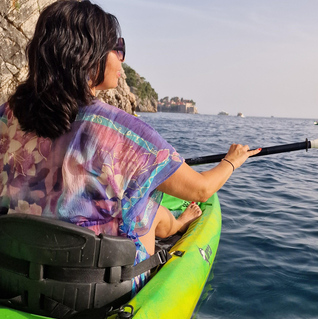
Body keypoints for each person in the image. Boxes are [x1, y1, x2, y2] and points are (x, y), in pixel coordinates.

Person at [0, 0, 260, 293]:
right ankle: (173, 227)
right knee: (144, 196)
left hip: (15, 274)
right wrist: (232, 161)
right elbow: (201, 190)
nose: (122, 59)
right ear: (88, 56)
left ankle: (171, 224)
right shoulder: (124, 132)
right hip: (96, 290)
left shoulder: (5, 116)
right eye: (118, 47)